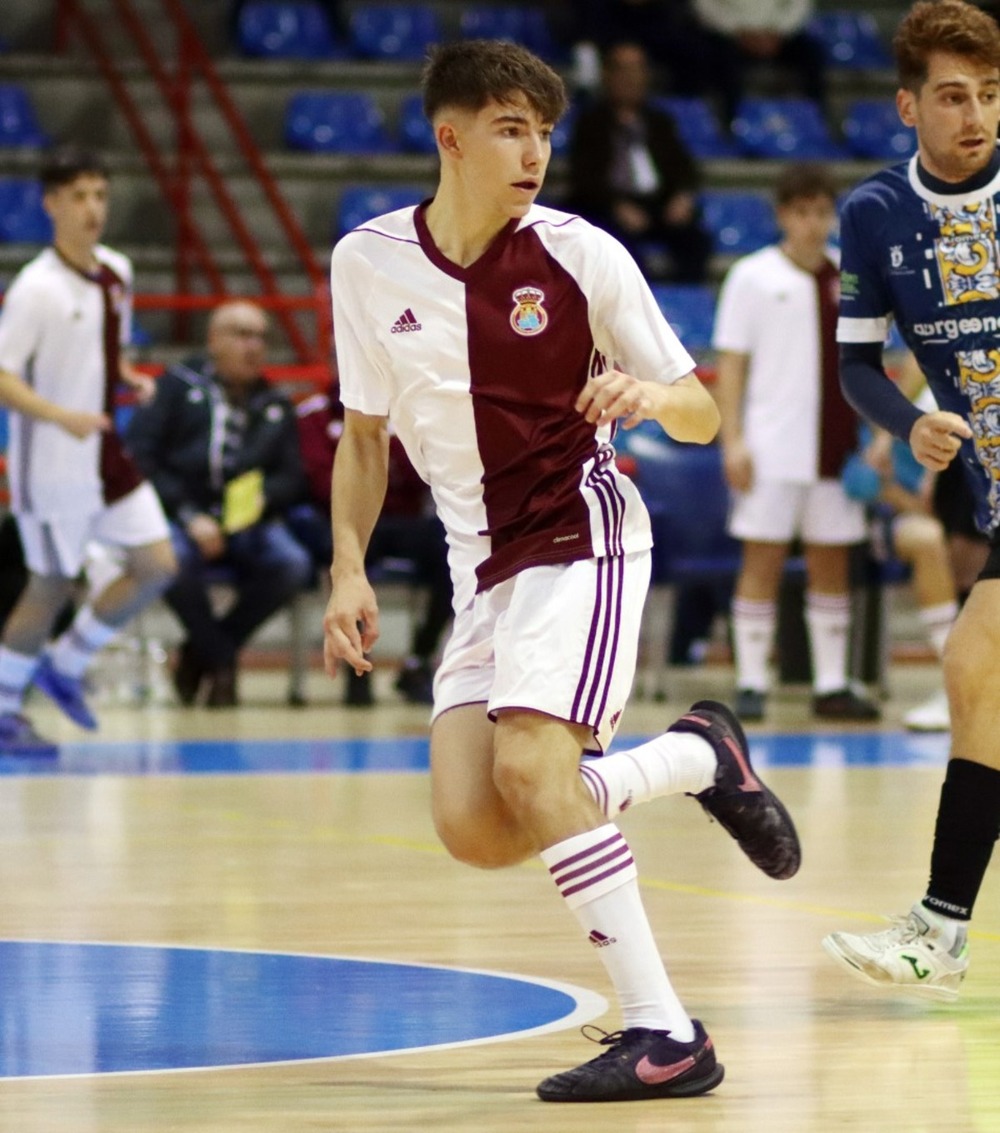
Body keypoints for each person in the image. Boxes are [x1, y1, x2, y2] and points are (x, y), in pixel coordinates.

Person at [324, 38, 801, 1103]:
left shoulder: (581, 253)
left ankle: (663, 1030)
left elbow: (700, 406)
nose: (533, 149)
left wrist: (643, 393)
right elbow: (363, 437)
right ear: (449, 138)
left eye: (543, 129)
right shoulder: (366, 260)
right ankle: (696, 757)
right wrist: (346, 567)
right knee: (478, 825)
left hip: (579, 532)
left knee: (535, 771)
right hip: (477, 565)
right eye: (508, 127)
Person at [821, 0, 1000, 1001]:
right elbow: (855, 367)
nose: (973, 114)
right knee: (979, 674)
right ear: (907, 106)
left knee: (976, 663)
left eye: (986, 94)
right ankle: (942, 926)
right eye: (950, 96)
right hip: (993, 487)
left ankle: (939, 924)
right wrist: (908, 422)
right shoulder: (874, 213)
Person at [0, 145, 177, 755]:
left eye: (99, 194)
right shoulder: (35, 289)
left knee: (157, 563)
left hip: (104, 451)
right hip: (50, 461)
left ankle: (66, 666)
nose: (92, 207)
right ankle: (2, 713)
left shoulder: (117, 271)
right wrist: (61, 416)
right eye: (77, 196)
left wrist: (127, 374)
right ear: (50, 205)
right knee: (49, 584)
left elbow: (103, 348)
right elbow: (3, 375)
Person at [713, 161, 880, 724]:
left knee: (832, 560)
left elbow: (874, 361)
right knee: (761, 557)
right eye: (801, 211)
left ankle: (831, 681)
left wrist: (879, 435)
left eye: (820, 211)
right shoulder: (752, 276)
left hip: (837, 448)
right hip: (772, 444)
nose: (812, 223)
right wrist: (732, 440)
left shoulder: (849, 275)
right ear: (783, 215)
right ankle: (751, 680)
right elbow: (731, 364)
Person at [126, 301, 312, 708]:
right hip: (183, 516)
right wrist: (191, 517)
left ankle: (202, 653)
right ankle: (221, 659)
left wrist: (262, 501)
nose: (254, 346)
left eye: (261, 337)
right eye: (242, 335)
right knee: (168, 559)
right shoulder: (176, 387)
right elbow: (142, 458)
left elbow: (291, 476)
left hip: (249, 522)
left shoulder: (275, 402)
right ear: (213, 340)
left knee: (292, 563)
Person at [295, 370, 453, 705]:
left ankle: (418, 661)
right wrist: (376, 471)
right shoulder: (315, 413)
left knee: (452, 554)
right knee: (351, 560)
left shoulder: (406, 406)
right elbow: (322, 480)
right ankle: (358, 673)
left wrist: (380, 471)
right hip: (343, 520)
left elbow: (423, 473)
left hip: (404, 519)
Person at [841, 378, 958, 733]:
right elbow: (857, 483)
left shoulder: (955, 411)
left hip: (961, 521)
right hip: (891, 524)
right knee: (928, 539)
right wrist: (902, 495)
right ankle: (955, 676)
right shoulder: (874, 424)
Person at [565, 40, 713, 283]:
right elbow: (584, 177)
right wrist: (616, 205)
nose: (630, 78)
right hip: (608, 206)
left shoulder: (660, 122)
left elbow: (684, 167)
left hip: (658, 204)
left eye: (637, 69)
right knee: (612, 241)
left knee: (696, 239)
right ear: (607, 75)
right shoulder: (590, 123)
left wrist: (682, 196)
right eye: (623, 70)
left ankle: (684, 300)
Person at [691, 0, 828, 126]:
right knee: (721, 60)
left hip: (777, 37)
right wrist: (739, 31)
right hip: (731, 37)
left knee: (812, 54)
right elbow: (706, 6)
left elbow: (799, 5)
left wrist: (779, 31)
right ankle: (732, 122)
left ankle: (818, 120)